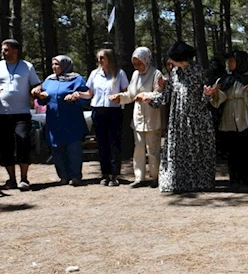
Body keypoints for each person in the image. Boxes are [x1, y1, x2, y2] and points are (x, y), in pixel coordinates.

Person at [147, 42, 215, 193]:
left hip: (197, 119)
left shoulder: (198, 72)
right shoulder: (174, 73)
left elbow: (205, 98)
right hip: (178, 120)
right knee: (178, 151)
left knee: (196, 150)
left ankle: (199, 182)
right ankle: (177, 182)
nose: (170, 62)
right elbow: (166, 96)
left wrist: (208, 94)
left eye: (173, 58)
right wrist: (151, 100)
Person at [0, 39, 42, 191]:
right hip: (1, 114)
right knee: (5, 146)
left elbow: (36, 84)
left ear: (15, 51)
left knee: (23, 142)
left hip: (22, 113)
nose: (3, 52)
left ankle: (24, 179)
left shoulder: (27, 66)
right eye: (2, 49)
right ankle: (11, 179)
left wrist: (36, 90)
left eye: (6, 50)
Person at [110, 47, 164, 188]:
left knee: (153, 149)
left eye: (139, 63)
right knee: (138, 149)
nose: (137, 67)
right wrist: (120, 98)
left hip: (152, 117)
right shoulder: (135, 75)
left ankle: (155, 177)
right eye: (135, 64)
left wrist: (146, 96)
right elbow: (131, 94)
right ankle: (139, 177)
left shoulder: (156, 73)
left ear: (146, 60)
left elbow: (160, 94)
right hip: (139, 117)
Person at [207, 50, 248, 190]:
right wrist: (216, 92)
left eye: (232, 60)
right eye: (228, 61)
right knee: (232, 152)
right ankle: (234, 180)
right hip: (229, 118)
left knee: (244, 151)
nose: (229, 63)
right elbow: (220, 98)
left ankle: (246, 181)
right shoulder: (226, 79)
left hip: (244, 116)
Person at [31, 56, 90, 186]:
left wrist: (76, 97)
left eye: (57, 64)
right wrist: (40, 96)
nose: (54, 67)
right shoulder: (49, 80)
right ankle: (63, 176)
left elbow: (86, 98)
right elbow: (43, 100)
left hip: (72, 121)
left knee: (73, 149)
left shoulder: (77, 79)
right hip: (54, 122)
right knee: (57, 149)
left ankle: (75, 176)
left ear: (65, 65)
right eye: (53, 64)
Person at [80, 49, 129, 186]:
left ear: (109, 59)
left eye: (102, 58)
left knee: (114, 143)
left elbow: (127, 93)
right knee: (101, 144)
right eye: (98, 58)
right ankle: (105, 174)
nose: (100, 61)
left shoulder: (119, 74)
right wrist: (78, 94)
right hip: (97, 110)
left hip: (114, 110)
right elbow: (89, 94)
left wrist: (119, 97)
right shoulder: (94, 74)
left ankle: (114, 175)